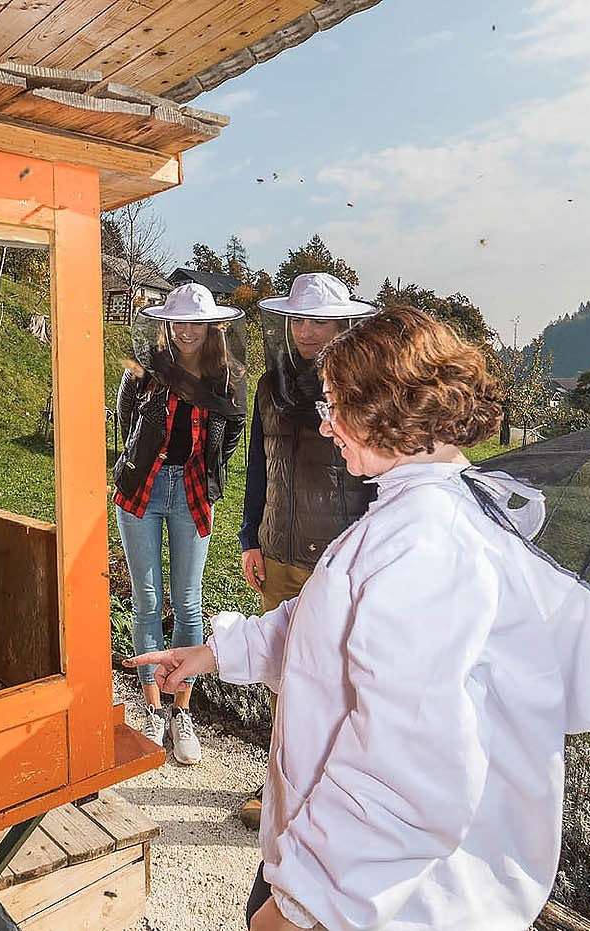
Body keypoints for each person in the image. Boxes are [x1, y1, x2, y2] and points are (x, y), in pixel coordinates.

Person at [128, 306, 590, 930]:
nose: (326, 422)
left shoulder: (426, 546)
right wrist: (220, 652)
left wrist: (307, 906)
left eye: (336, 404)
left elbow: (409, 767)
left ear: (386, 407)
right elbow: (333, 626)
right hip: (351, 860)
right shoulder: (431, 510)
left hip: (387, 896)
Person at [235, 272, 377, 829]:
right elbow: (257, 466)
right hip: (278, 552)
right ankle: (279, 785)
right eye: (299, 319)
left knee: (337, 679)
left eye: (320, 320)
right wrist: (251, 536)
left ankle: (332, 795)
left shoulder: (362, 391)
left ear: (345, 325)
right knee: (281, 674)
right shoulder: (271, 388)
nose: (308, 331)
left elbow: (375, 475)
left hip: (337, 559)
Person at [114, 283, 247, 765]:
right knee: (147, 599)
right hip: (142, 491)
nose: (187, 330)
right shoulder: (145, 370)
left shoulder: (228, 377)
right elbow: (124, 428)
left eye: (197, 322)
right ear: (167, 324)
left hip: (191, 493)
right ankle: (152, 708)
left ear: (213, 328)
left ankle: (180, 711)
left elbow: (231, 431)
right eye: (179, 321)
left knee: (189, 603)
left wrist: (206, 472)